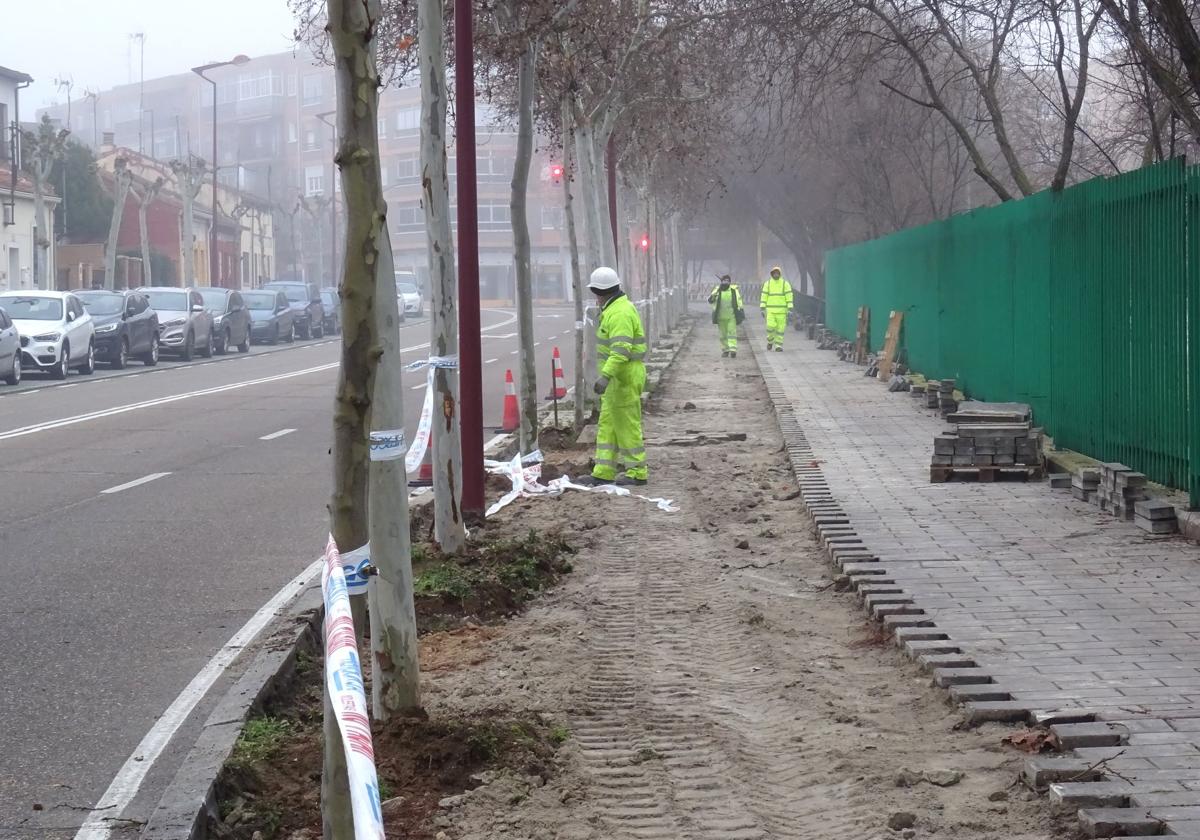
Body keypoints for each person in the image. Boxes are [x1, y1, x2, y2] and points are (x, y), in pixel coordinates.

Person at [578, 266, 648, 487]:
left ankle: (637, 472)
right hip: (619, 379)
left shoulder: (618, 313)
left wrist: (605, 376)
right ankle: (603, 472)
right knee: (608, 425)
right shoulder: (614, 308)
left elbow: (621, 350)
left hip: (623, 378)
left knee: (627, 425)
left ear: (599, 292)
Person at [708, 274, 743, 358]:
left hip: (731, 316)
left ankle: (733, 350)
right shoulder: (717, 290)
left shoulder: (733, 290)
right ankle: (725, 350)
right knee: (723, 335)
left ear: (730, 282)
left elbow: (739, 300)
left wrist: (740, 309)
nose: (726, 282)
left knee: (732, 333)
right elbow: (710, 300)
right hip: (720, 317)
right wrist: (716, 292)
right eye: (724, 281)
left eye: (727, 281)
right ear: (721, 281)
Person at [760, 266, 793, 352]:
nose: (776, 274)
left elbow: (789, 296)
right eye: (774, 273)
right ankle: (770, 341)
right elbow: (764, 295)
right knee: (770, 327)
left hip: (782, 311)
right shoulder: (768, 284)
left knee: (780, 330)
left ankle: (778, 345)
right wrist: (762, 307)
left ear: (780, 274)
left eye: (777, 273)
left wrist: (790, 308)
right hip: (770, 311)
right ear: (772, 274)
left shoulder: (785, 284)